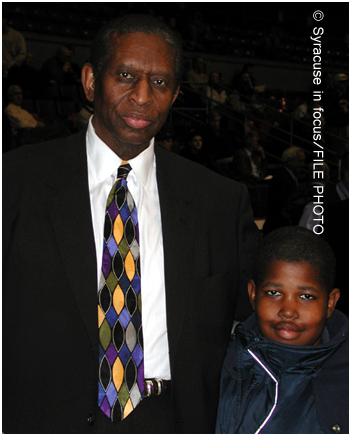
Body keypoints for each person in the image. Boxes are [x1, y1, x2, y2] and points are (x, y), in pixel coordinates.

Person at [3, 14, 259, 434]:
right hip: (41, 419)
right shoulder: (13, 182)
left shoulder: (220, 202)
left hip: (171, 419)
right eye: (125, 75)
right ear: (90, 81)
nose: (143, 96)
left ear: (175, 95)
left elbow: (253, 323)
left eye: (160, 83)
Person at [216, 226, 348, 434]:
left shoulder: (344, 379)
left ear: (330, 303)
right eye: (274, 293)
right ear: (253, 294)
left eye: (306, 297)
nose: (288, 311)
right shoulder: (220, 364)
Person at [4, 84, 71, 144]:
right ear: (10, 96)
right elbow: (21, 124)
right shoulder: (9, 110)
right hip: (30, 133)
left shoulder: (23, 111)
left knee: (61, 133)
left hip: (35, 130)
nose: (19, 96)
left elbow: (29, 122)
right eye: (16, 94)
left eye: (20, 93)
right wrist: (36, 124)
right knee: (61, 128)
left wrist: (36, 123)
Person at [263, 146, 306, 235]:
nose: (303, 164)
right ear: (290, 161)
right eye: (300, 161)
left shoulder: (287, 176)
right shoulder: (282, 178)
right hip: (278, 229)